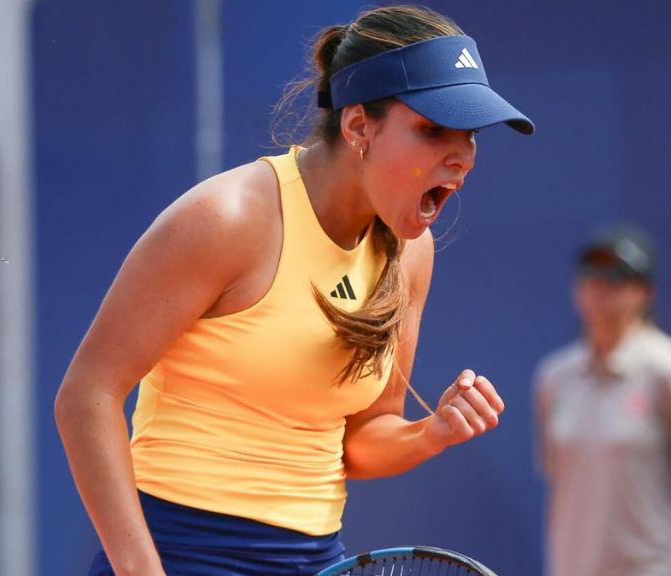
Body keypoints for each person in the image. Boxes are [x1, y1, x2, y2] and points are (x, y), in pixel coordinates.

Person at [55, 5, 534, 576]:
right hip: (177, 555)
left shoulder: (411, 252)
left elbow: (362, 439)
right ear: (358, 127)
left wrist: (431, 433)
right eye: (432, 129)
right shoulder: (226, 219)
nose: (461, 157)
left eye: (470, 134)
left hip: (312, 561)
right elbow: (87, 394)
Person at [533, 224, 671, 576]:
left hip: (651, 567)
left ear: (645, 292)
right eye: (590, 275)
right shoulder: (554, 377)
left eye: (616, 277)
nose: (600, 286)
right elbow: (560, 475)